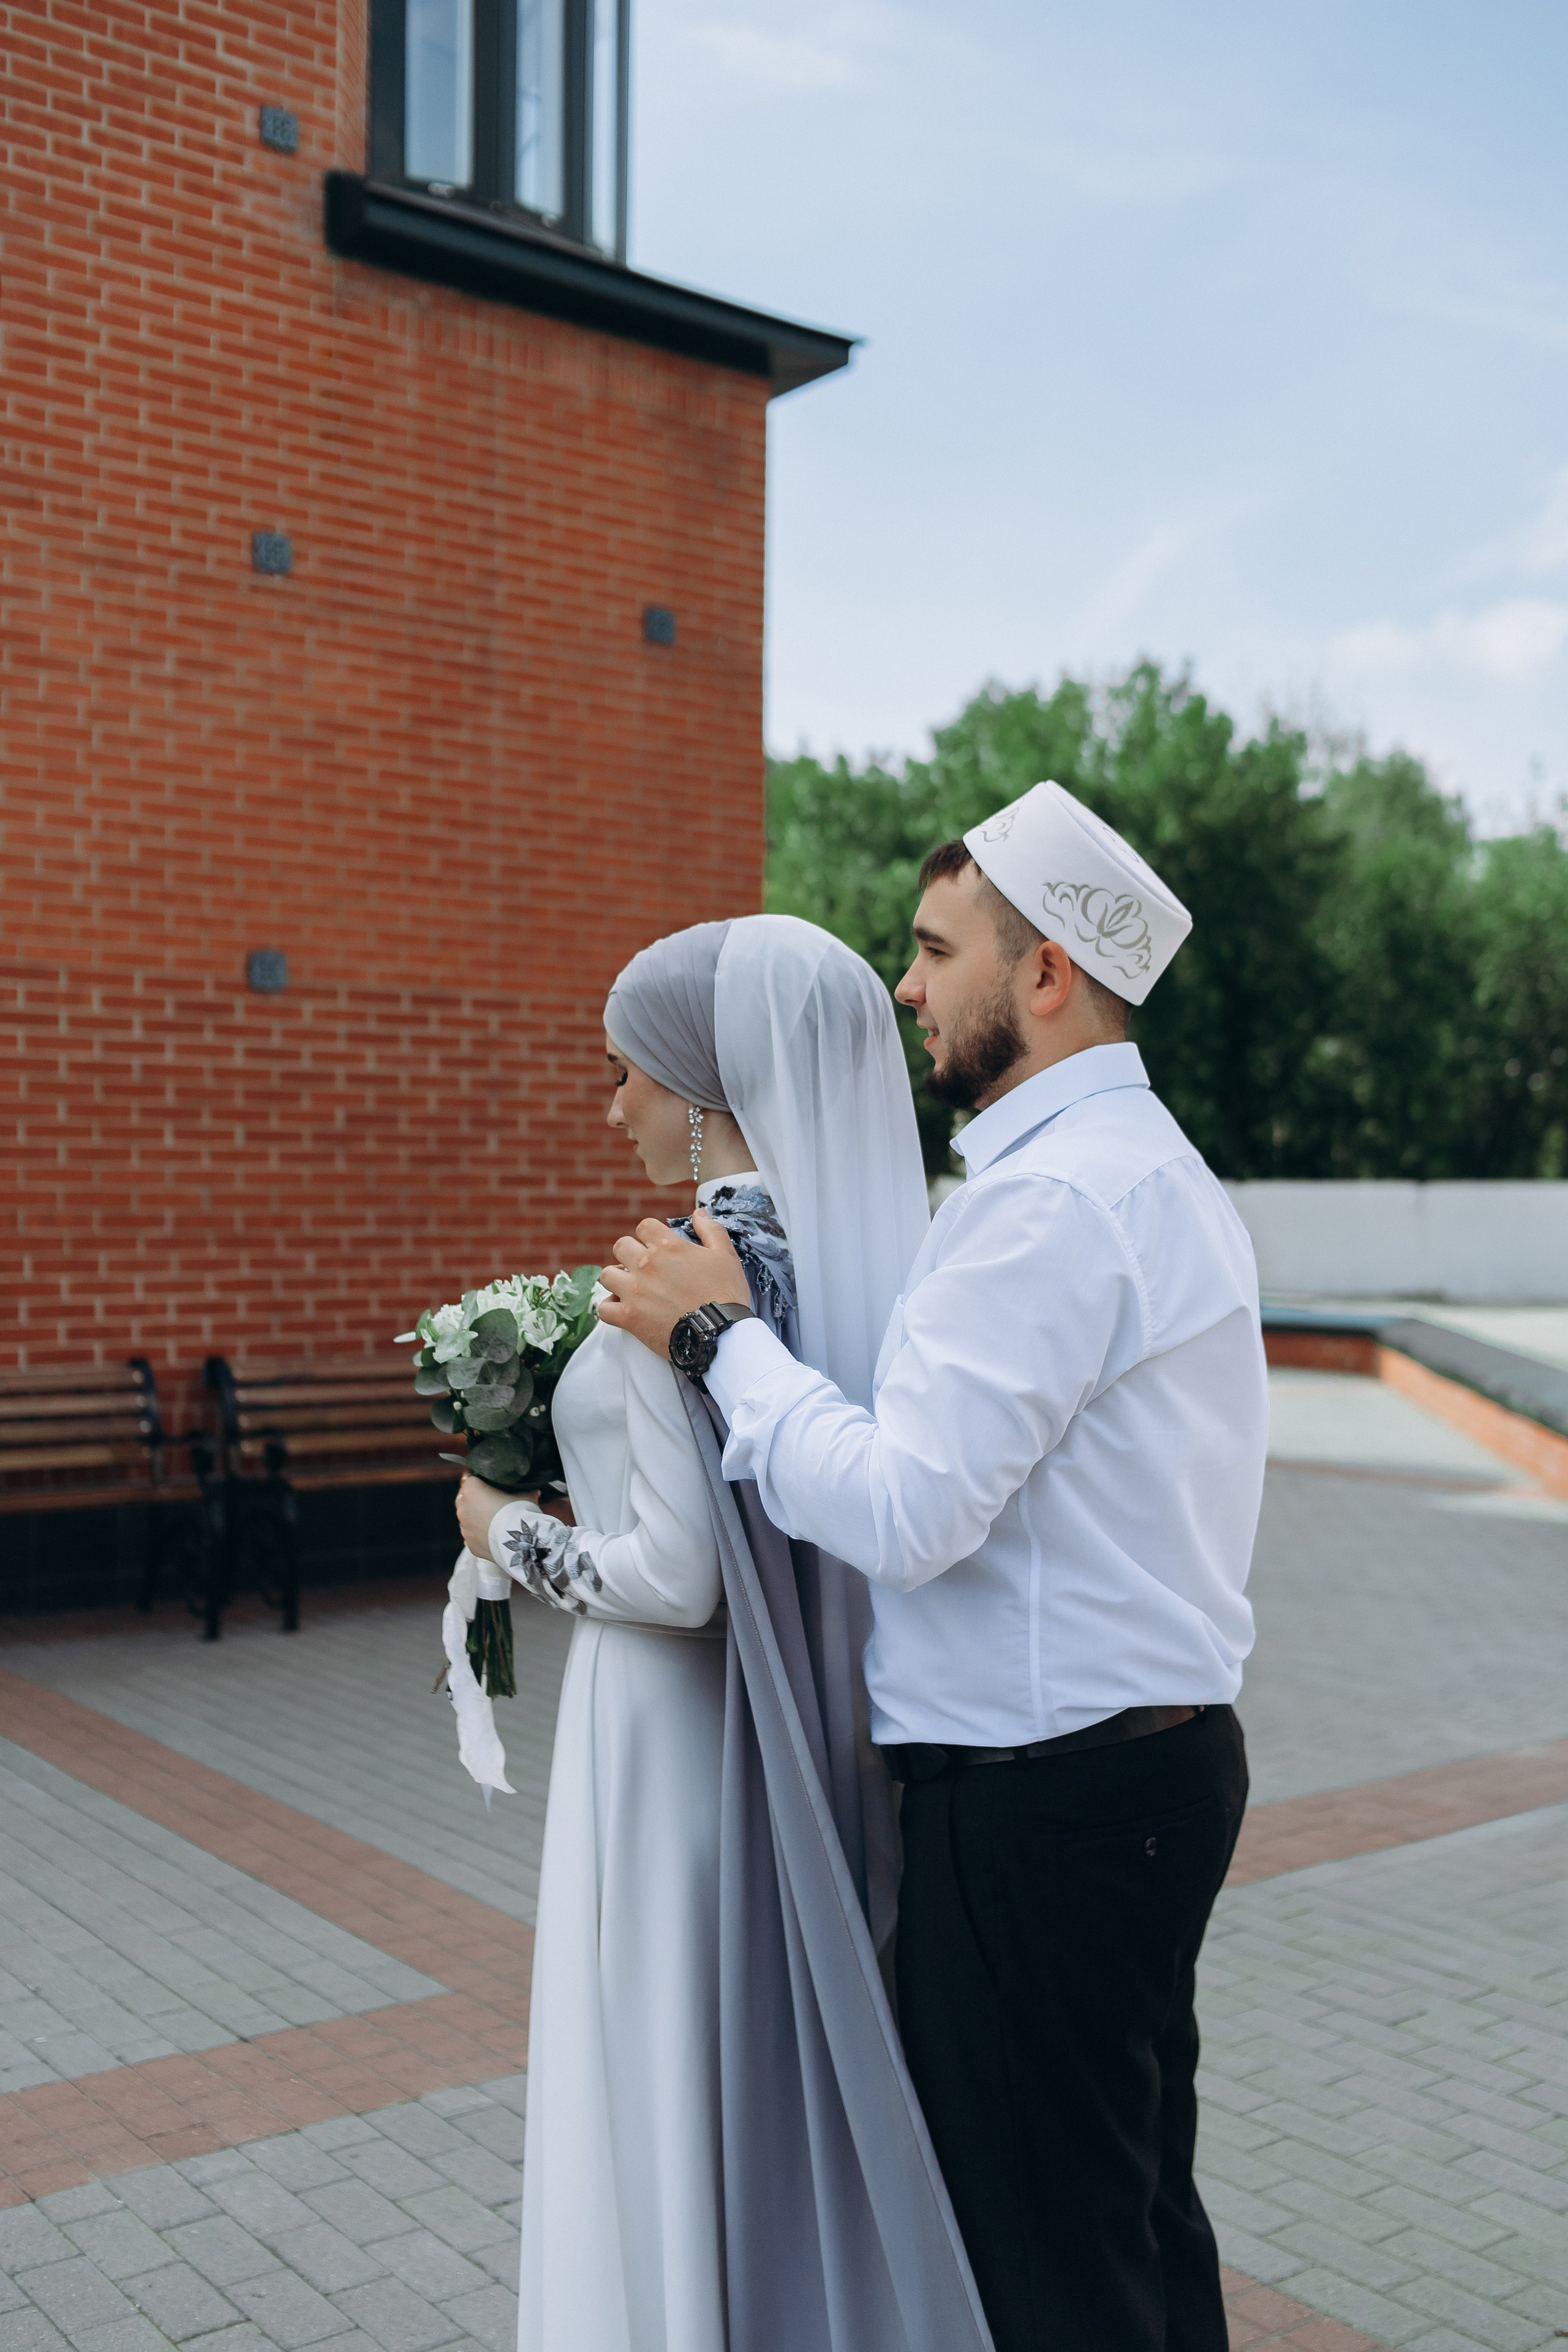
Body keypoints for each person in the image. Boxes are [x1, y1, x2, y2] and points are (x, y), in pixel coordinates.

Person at [599, 782, 1270, 2352]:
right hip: (1134, 1776)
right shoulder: (1140, 1166)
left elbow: (907, 1507)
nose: (905, 986)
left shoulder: (1049, 1201)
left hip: (1041, 1806)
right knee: (1129, 2223)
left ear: (1044, 974)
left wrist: (718, 1339)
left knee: (1042, 2271)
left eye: (934, 949)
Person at [450, 914, 992, 2352]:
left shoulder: (690, 1266)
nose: (611, 1107)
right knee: (708, 2062)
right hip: (788, 1720)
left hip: (662, 1729)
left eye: (623, 1073)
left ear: (698, 1090)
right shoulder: (847, 1257)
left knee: (653, 2064)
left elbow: (678, 1577)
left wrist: (505, 1533)